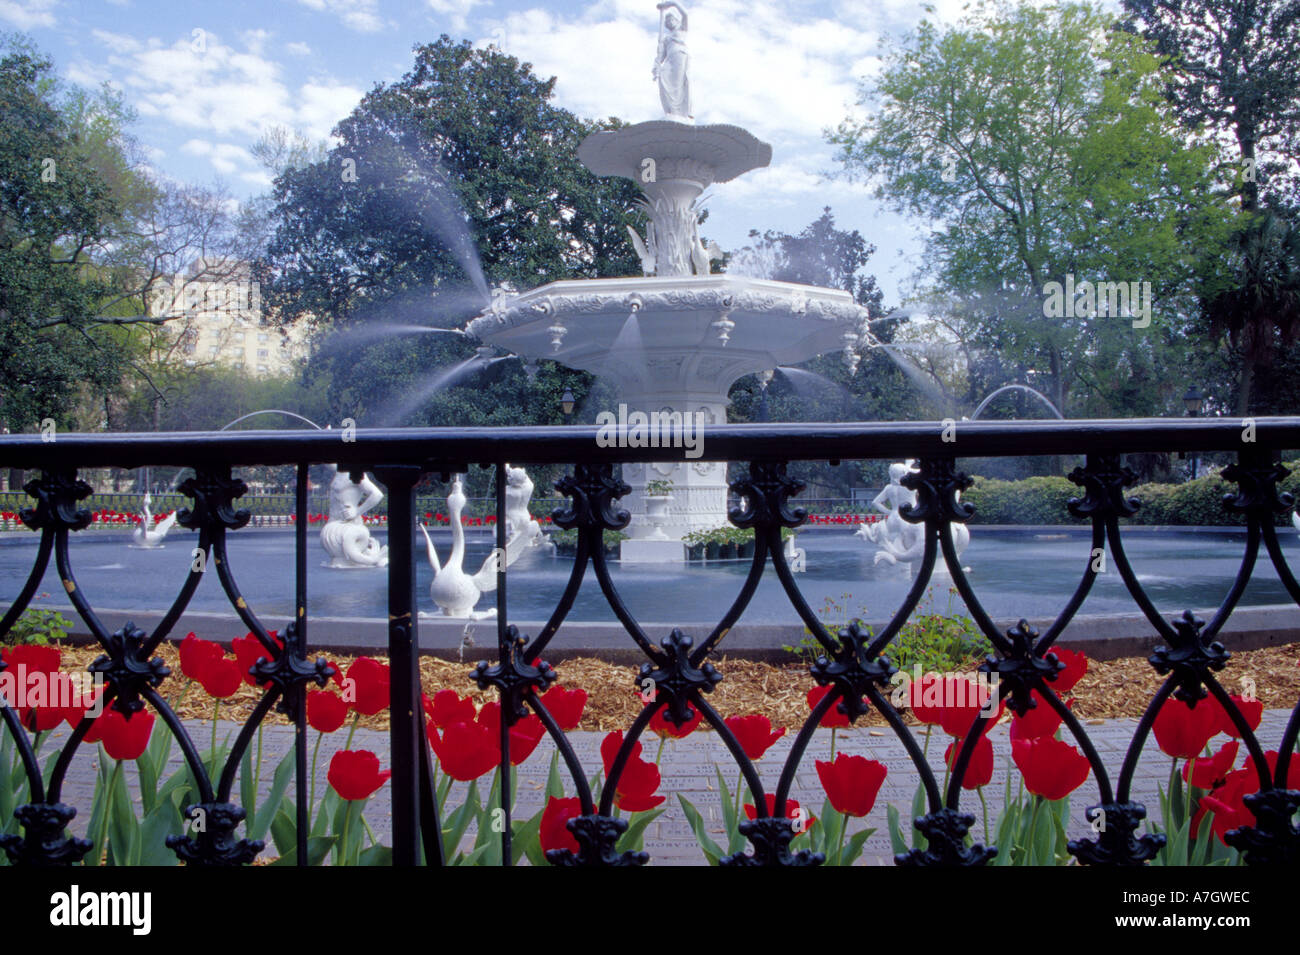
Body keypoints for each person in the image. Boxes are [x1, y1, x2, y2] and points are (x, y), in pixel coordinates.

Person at [653, 3, 691, 120]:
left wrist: (672, 3)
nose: (669, 22)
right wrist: (656, 65)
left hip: (680, 56)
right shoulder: (665, 38)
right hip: (669, 59)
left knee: (678, 84)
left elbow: (685, 14)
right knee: (663, 78)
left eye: (671, 20)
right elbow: (661, 56)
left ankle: (680, 112)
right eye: (667, 21)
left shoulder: (682, 29)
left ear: (676, 20)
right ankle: (671, 110)